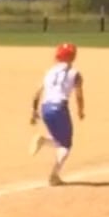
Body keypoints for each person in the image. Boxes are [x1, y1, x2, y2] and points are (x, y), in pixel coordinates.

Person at [29, 42, 85, 186]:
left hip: (45, 107)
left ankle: (43, 140)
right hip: (60, 108)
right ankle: (54, 176)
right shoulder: (75, 74)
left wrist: (34, 111)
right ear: (73, 56)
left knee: (61, 140)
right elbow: (79, 96)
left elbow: (36, 94)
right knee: (66, 145)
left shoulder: (49, 71)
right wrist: (81, 111)